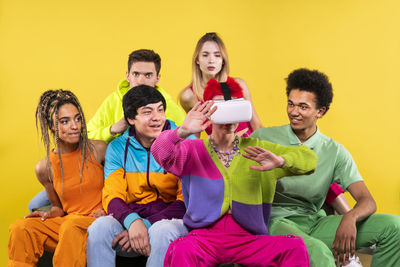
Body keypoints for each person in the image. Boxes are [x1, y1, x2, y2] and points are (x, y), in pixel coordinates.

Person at [151, 79, 318, 267]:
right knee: (182, 249)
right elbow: (159, 152)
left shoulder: (259, 149)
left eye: (233, 107)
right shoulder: (192, 150)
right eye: (220, 107)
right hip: (204, 238)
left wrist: (281, 161)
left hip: (249, 239)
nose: (228, 117)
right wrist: (182, 131)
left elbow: (309, 159)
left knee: (294, 246)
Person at [251, 68, 400, 267]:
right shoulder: (264, 138)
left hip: (314, 222)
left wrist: (350, 217)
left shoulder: (335, 151)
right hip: (276, 221)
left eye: (303, 107)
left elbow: (368, 201)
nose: (294, 112)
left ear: (320, 111)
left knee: (394, 228)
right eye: (291, 104)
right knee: (318, 251)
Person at [28, 49, 186, 213]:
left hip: (145, 175)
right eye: (136, 74)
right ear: (127, 75)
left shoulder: (169, 108)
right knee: (34, 205)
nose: (141, 80)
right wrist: (112, 130)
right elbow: (82, 133)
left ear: (157, 78)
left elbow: (185, 141)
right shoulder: (113, 102)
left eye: (148, 75)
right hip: (102, 167)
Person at [86, 85, 188, 267]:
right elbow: (112, 196)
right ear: (131, 119)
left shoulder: (184, 143)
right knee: (99, 227)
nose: (157, 117)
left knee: (161, 230)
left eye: (160, 110)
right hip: (133, 217)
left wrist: (146, 224)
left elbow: (186, 202)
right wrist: (133, 222)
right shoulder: (117, 148)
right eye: (147, 112)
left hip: (171, 221)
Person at [8, 89, 107, 267]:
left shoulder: (99, 149)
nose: (75, 126)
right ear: (52, 127)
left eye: (78, 118)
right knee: (20, 228)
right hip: (70, 222)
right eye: (65, 121)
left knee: (72, 226)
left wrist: (107, 211)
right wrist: (50, 213)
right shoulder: (44, 168)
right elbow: (58, 207)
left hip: (98, 221)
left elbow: (119, 188)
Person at [179, 32, 262, 136]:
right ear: (197, 60)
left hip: (250, 148)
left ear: (223, 60)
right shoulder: (188, 96)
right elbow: (194, 138)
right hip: (219, 151)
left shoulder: (239, 85)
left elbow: (257, 126)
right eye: (205, 55)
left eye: (217, 55)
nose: (211, 60)